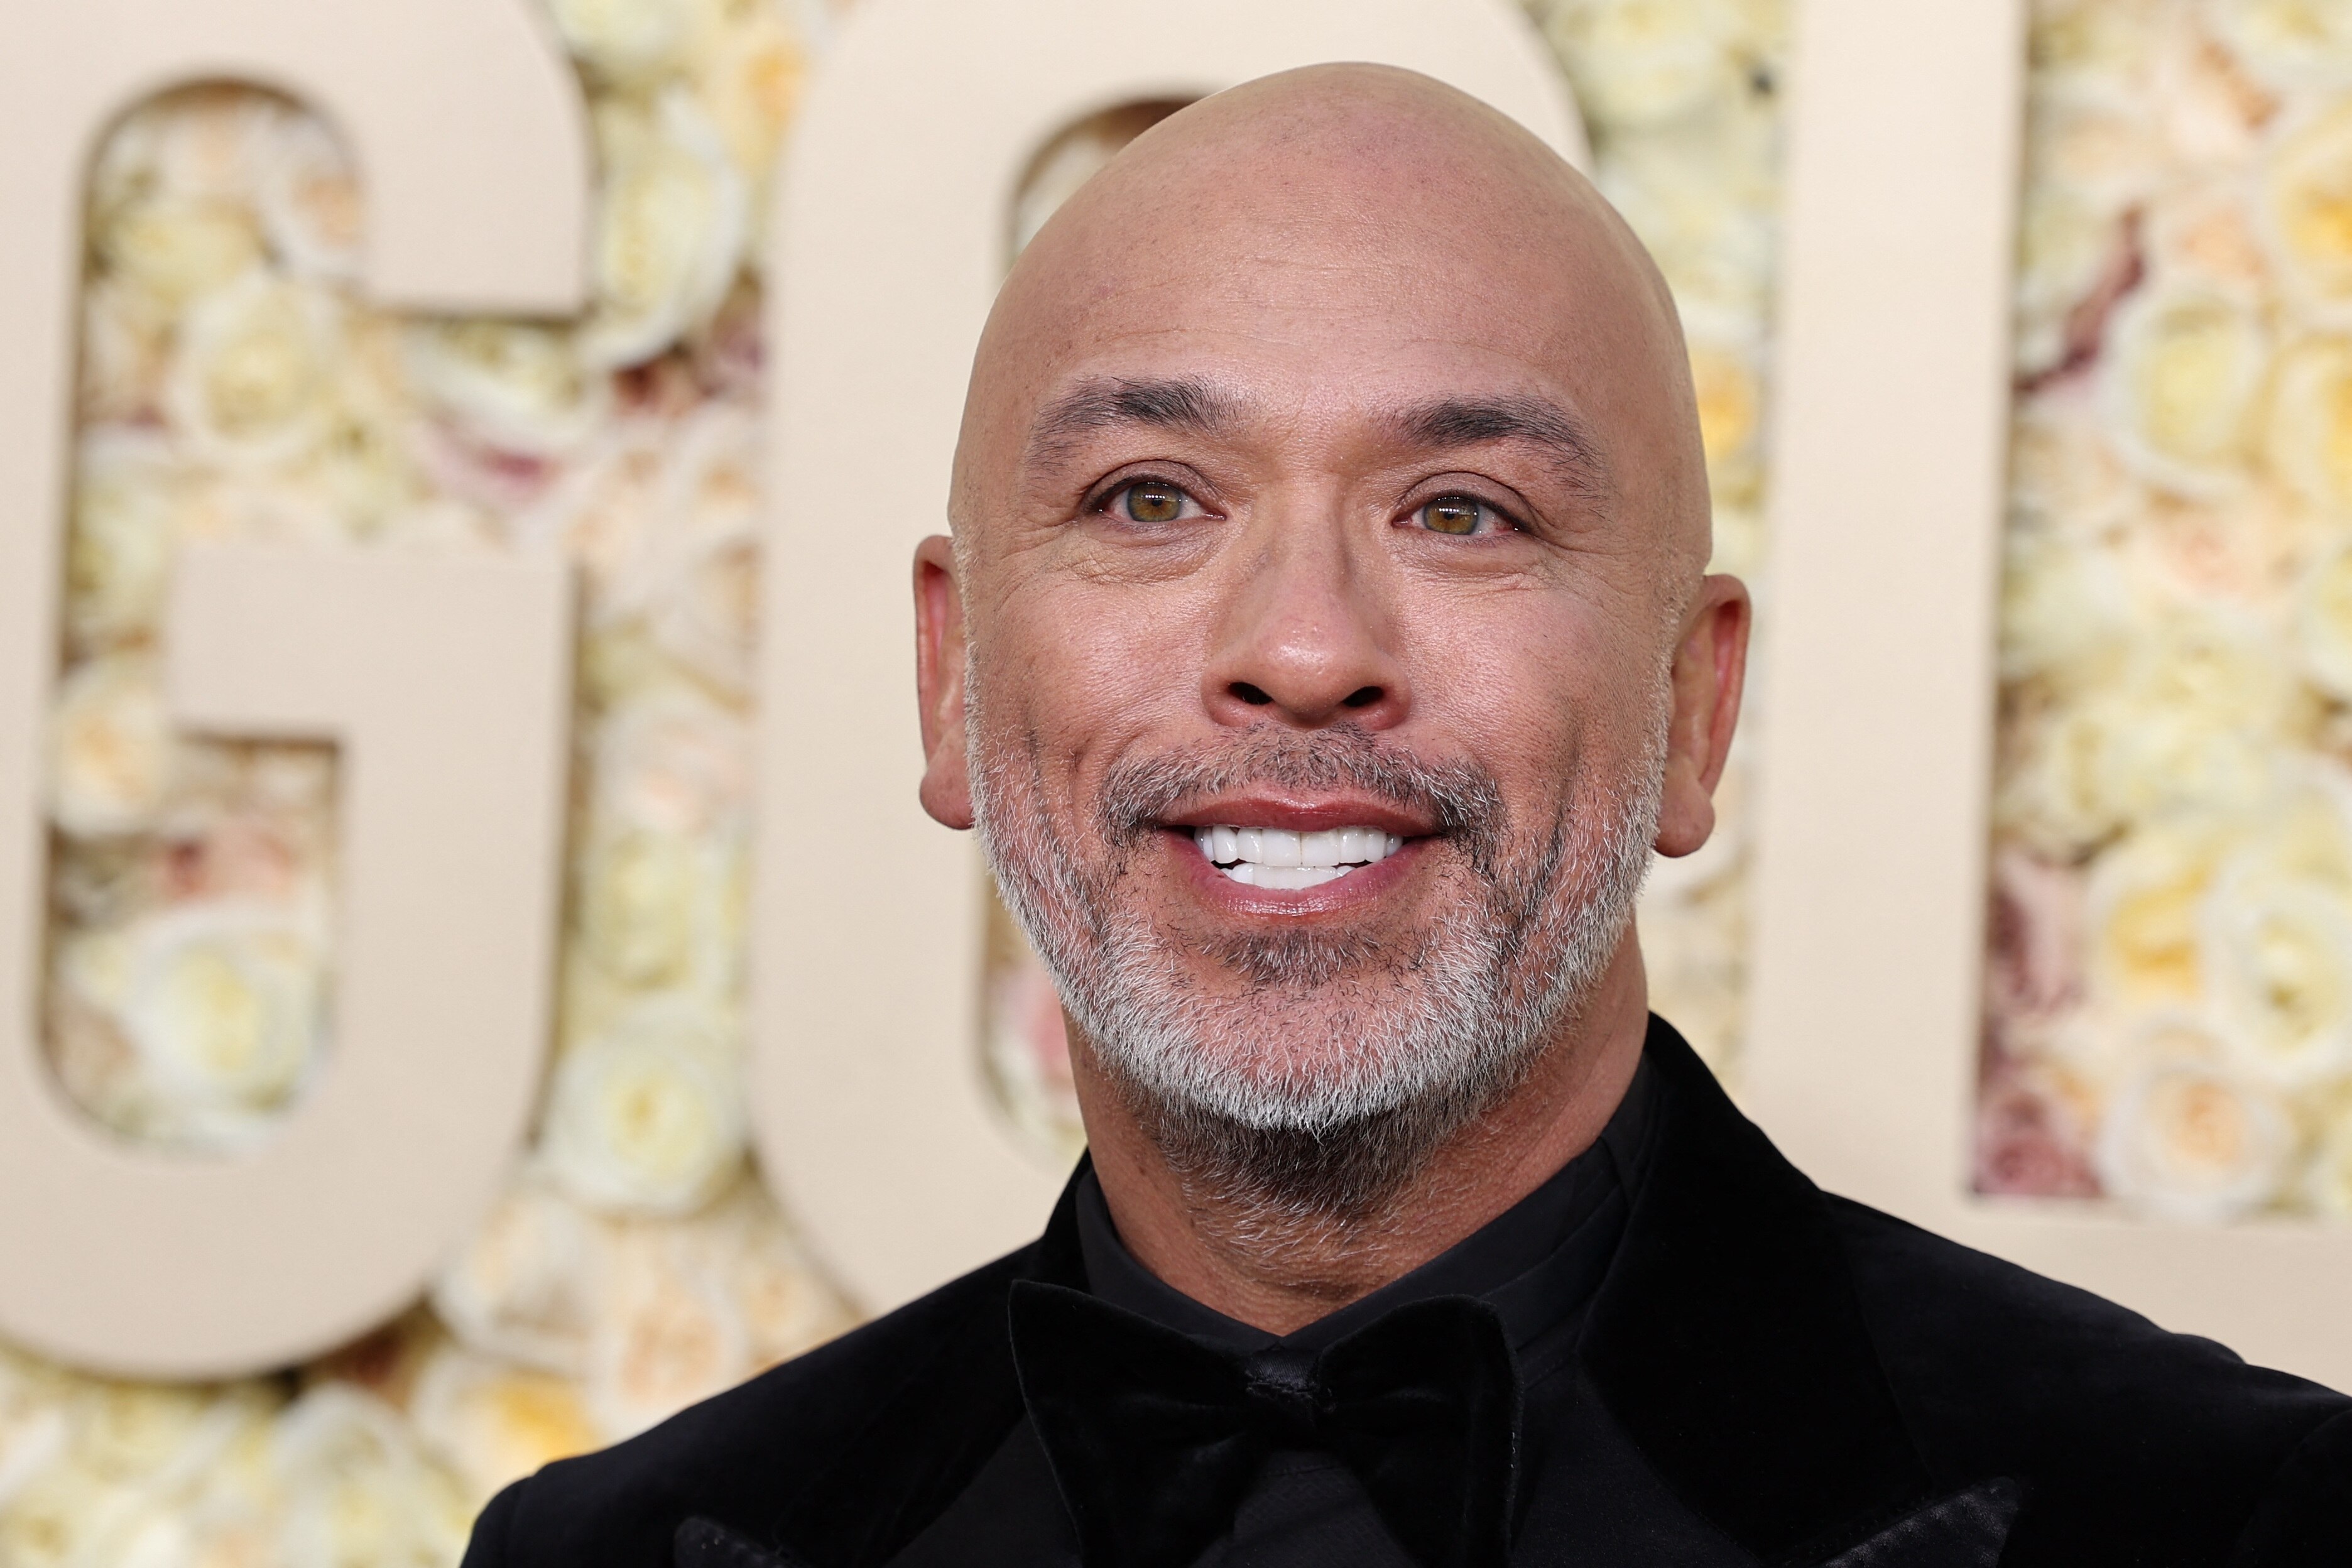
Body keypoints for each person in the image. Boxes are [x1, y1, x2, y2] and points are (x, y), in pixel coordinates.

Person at [461, 64, 2351, 1568]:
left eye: (1462, 511)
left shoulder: (2227, 1524)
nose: (1302, 649)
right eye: (1150, 499)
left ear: (1697, 708)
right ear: (952, 679)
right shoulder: (608, 1553)